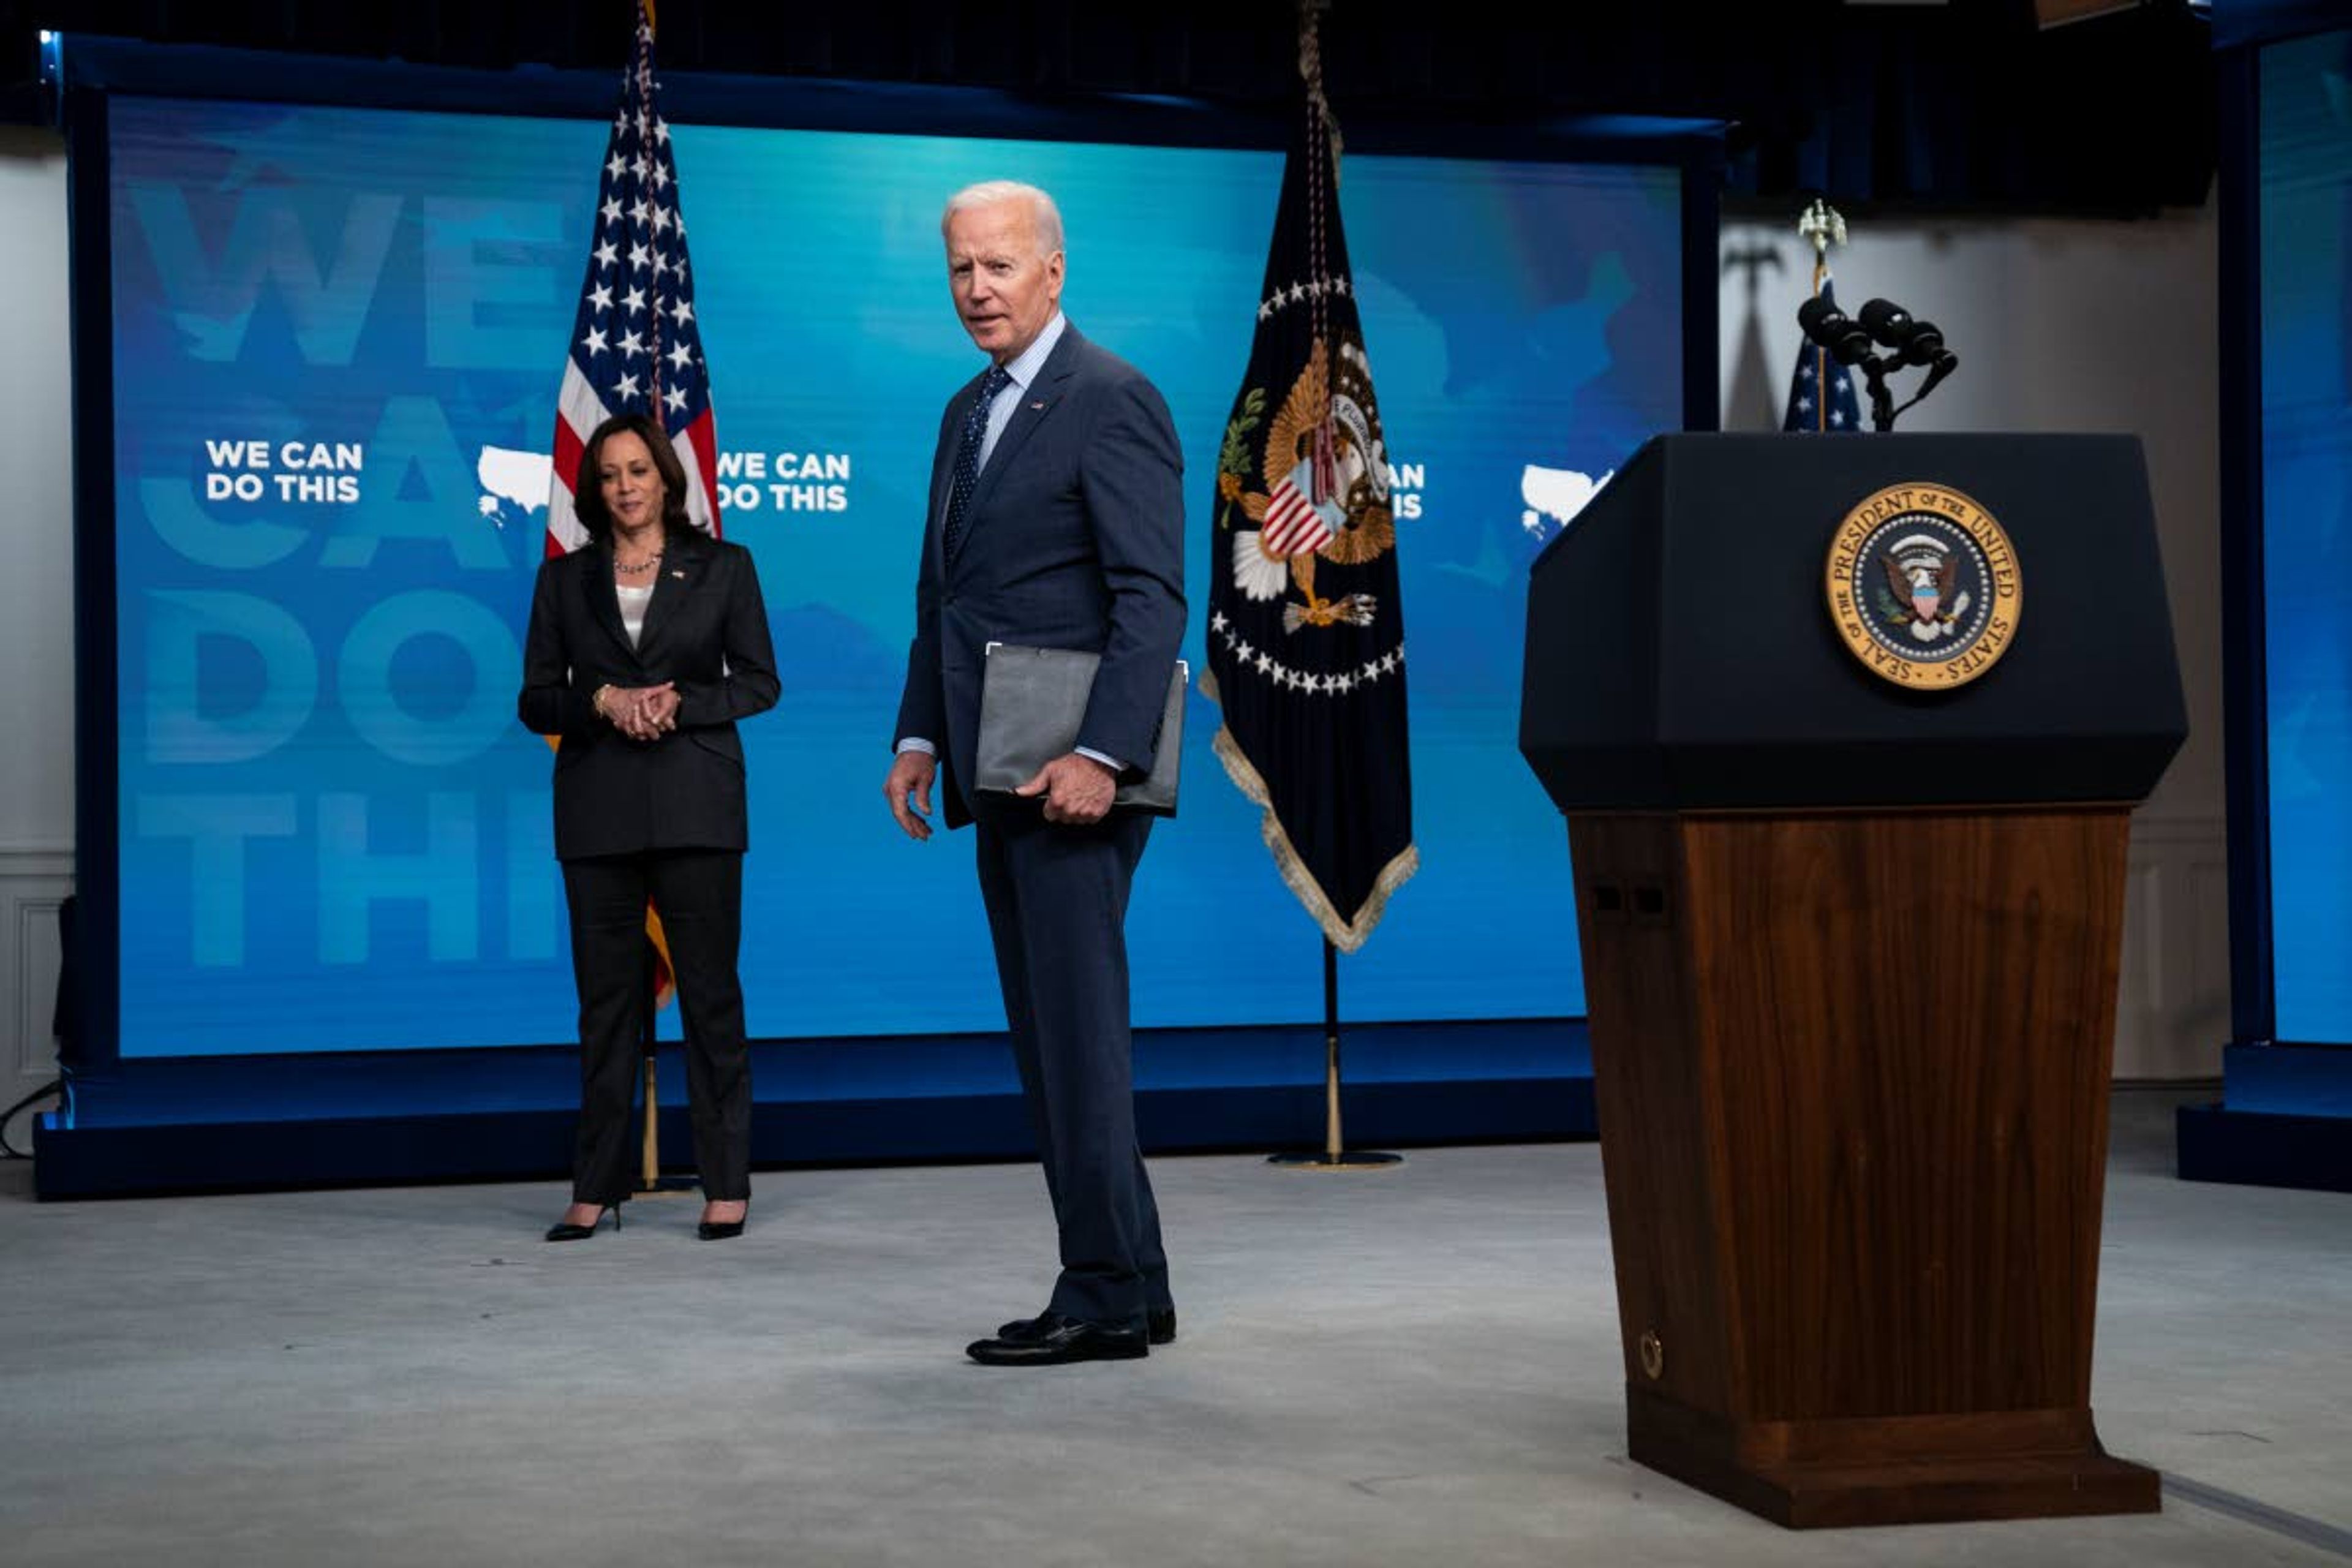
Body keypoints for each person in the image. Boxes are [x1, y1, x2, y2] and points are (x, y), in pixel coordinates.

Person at [884, 180, 1187, 1366]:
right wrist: (920, 736)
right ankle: (1139, 1281)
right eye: (961, 268)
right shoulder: (966, 412)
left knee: (1075, 1038)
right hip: (993, 766)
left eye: (999, 268)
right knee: (1062, 1036)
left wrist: (1104, 755)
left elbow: (1151, 597)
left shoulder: (1113, 399)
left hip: (1076, 777)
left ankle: (1100, 1291)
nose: (976, 290)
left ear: (1054, 271)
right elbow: (942, 598)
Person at [518, 413, 779, 1243]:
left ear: (667, 477)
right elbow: (534, 701)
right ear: (592, 491)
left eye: (639, 470)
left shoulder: (725, 567)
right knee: (605, 1010)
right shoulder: (565, 581)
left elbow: (761, 683)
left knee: (711, 1001)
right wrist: (598, 701)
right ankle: (594, 1185)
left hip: (699, 807)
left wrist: (681, 701)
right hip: (597, 813)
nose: (626, 486)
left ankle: (726, 1181)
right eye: (608, 475)